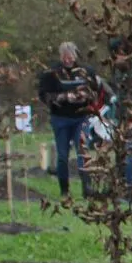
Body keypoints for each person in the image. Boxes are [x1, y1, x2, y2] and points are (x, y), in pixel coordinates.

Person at [37, 42, 99, 198]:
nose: (67, 60)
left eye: (70, 56)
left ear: (75, 56)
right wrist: (62, 97)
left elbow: (96, 90)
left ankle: (87, 188)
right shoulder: (52, 73)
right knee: (63, 155)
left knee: (83, 152)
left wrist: (86, 96)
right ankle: (64, 190)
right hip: (60, 118)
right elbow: (43, 94)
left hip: (81, 117)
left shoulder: (86, 71)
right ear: (60, 56)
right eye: (64, 57)